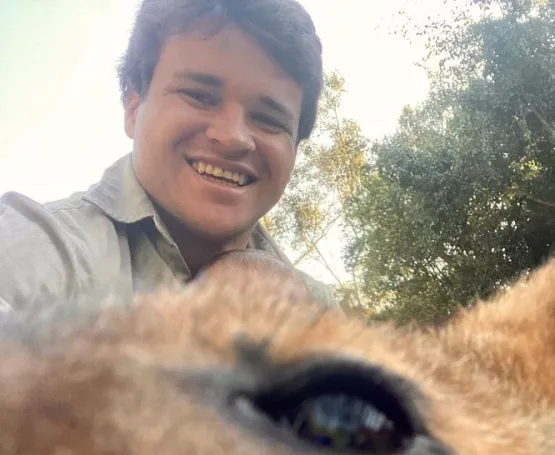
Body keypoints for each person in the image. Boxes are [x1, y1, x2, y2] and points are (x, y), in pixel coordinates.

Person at [0, 0, 337, 312]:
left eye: (268, 119)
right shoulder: (40, 249)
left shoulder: (318, 311)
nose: (233, 136)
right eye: (199, 95)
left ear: (294, 148)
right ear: (133, 106)